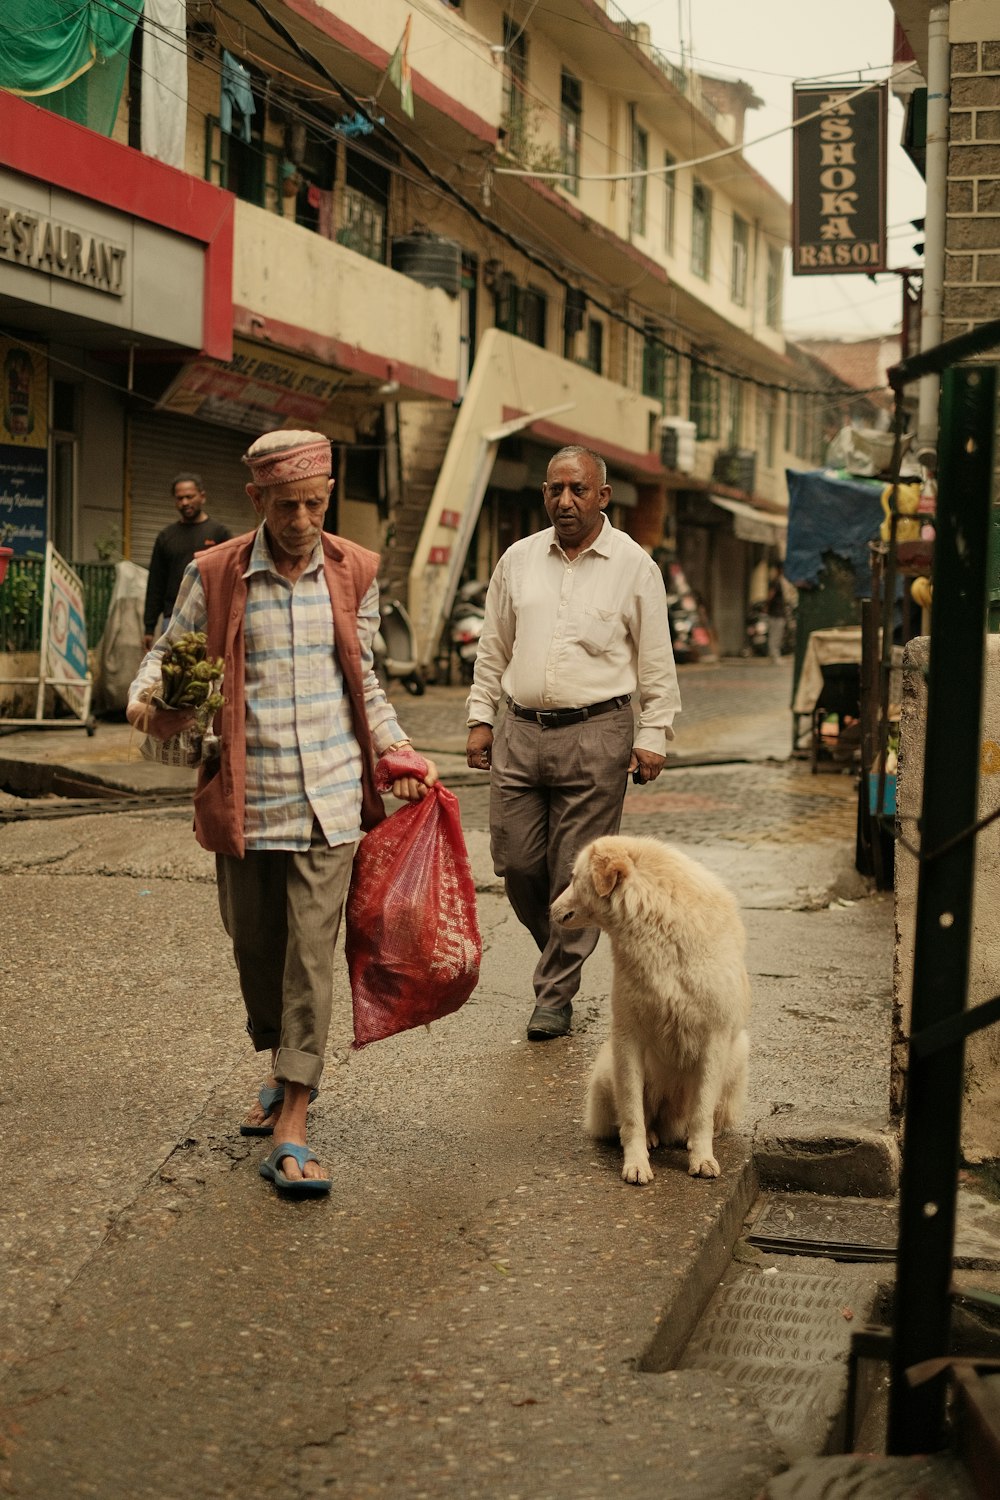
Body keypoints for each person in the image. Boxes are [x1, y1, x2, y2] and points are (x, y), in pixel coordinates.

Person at [127, 430, 436, 1196]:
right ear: (257, 499)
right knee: (256, 948)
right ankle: (278, 1066)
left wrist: (397, 750)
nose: (302, 519)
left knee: (309, 954)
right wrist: (146, 701)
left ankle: (295, 1117)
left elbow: (362, 678)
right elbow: (171, 652)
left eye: (315, 503)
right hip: (247, 793)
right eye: (287, 504)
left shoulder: (352, 570)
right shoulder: (217, 570)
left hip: (329, 798)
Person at [465, 444, 680, 1041]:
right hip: (519, 729)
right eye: (555, 490)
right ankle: (561, 950)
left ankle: (554, 994)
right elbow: (494, 647)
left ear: (602, 496)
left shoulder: (635, 566)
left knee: (573, 870)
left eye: (578, 490)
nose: (565, 501)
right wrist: (480, 717)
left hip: (598, 733)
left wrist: (653, 733)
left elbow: (656, 661)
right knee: (517, 862)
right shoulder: (518, 560)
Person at [142, 474, 231, 649]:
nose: (184, 502)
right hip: (174, 620)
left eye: (189, 496)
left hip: (211, 618)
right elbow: (156, 585)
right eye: (179, 498)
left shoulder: (219, 534)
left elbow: (230, 579)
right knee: (174, 673)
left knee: (209, 673)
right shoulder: (166, 537)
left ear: (202, 496)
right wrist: (149, 627)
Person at [765, 561, 791, 663]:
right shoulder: (776, 581)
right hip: (776, 612)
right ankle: (774, 655)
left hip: (778, 612)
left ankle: (774, 654)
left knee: (777, 634)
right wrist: (767, 606)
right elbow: (771, 594)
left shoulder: (780, 581)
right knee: (775, 634)